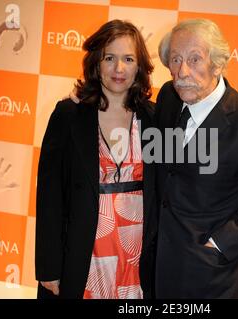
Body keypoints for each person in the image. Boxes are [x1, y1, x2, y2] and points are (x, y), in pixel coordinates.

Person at [154, 19, 238, 299]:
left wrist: (219, 244)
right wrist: (90, 100)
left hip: (212, 280)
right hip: (158, 268)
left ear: (217, 64)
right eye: (175, 59)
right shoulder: (169, 97)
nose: (182, 71)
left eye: (194, 59)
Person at [35, 19, 157, 299]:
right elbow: (50, 196)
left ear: (139, 66)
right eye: (109, 58)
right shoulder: (68, 115)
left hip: (137, 258)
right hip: (83, 253)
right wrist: (48, 268)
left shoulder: (153, 118)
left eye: (128, 58)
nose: (119, 68)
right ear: (96, 64)